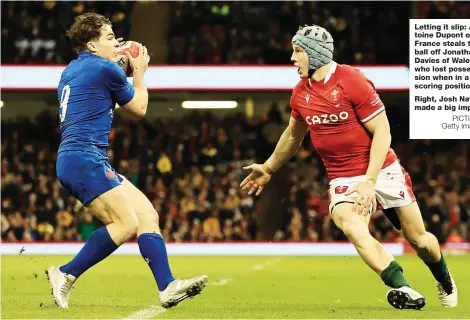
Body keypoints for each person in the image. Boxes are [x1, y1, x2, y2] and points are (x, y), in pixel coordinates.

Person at [240, 25, 458, 310]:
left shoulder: (351, 80)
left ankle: (443, 278)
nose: (292, 58)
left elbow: (382, 131)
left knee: (420, 240)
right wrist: (268, 168)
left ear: (316, 53)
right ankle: (403, 287)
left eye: (298, 51)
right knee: (351, 226)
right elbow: (293, 135)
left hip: (381, 169)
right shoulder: (299, 94)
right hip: (342, 177)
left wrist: (370, 179)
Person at [46, 13, 207, 309]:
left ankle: (167, 286)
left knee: (147, 215)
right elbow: (140, 109)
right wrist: (140, 71)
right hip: (84, 157)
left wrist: (121, 67)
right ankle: (66, 273)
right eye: (109, 37)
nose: (117, 43)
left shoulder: (71, 70)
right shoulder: (105, 70)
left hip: (79, 157)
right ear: (92, 45)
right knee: (125, 223)